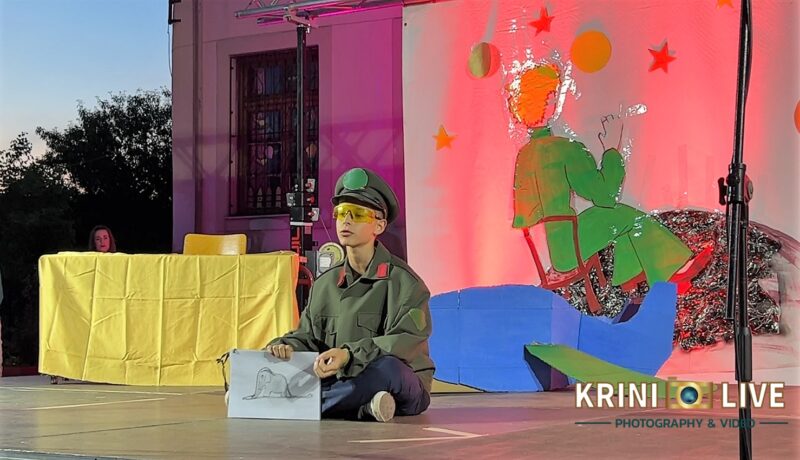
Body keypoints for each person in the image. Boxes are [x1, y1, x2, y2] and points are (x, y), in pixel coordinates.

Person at [510, 63, 710, 290]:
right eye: (552, 95)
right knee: (627, 216)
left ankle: (631, 277)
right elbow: (605, 196)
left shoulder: (525, 155)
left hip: (554, 246)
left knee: (618, 218)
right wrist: (611, 148)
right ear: (544, 102)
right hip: (569, 248)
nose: (556, 100)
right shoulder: (563, 149)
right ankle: (674, 270)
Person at [264, 168, 434, 422]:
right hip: (344, 380)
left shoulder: (406, 284)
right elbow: (308, 336)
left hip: (404, 383)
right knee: (285, 365)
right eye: (341, 213)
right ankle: (365, 408)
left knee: (387, 368)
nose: (347, 221)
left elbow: (402, 343)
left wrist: (349, 354)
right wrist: (287, 345)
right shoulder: (325, 285)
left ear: (379, 225)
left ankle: (287, 404)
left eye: (358, 214)